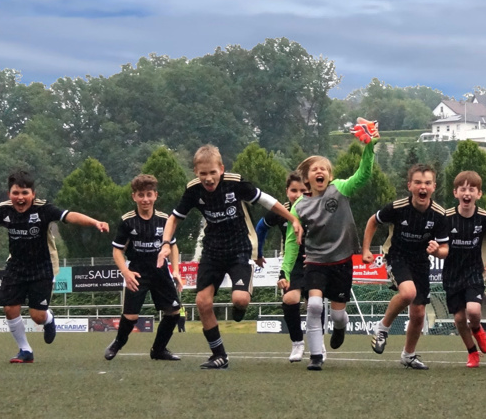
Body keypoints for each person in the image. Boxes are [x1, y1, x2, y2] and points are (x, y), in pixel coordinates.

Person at [157, 144, 303, 370]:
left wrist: (293, 219)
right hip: (212, 252)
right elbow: (174, 218)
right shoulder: (193, 190)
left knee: (240, 300)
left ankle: (241, 303)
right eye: (203, 173)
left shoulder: (235, 183)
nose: (208, 178)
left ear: (221, 169)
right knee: (202, 302)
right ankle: (219, 355)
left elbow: (267, 201)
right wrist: (166, 243)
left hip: (238, 250)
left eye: (212, 172)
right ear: (196, 172)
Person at [0, 170, 109, 363]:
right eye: (16, 193)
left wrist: (95, 222)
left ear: (33, 194)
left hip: (42, 267)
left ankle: (48, 319)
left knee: (37, 316)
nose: (20, 198)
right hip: (16, 265)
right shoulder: (4, 210)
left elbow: (68, 216)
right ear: (9, 195)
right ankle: (25, 350)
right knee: (9, 309)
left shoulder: (43, 209)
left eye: (25, 193)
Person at [281, 118, 380, 371]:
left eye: (324, 168)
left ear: (330, 175)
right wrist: (285, 270)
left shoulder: (340, 189)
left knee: (337, 314)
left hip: (342, 261)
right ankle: (315, 356)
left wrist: (369, 147)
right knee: (314, 306)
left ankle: (339, 326)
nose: (319, 171)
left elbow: (363, 175)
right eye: (314, 169)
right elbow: (293, 242)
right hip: (316, 262)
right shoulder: (299, 206)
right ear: (307, 178)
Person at [364, 164, 450, 370]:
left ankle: (408, 355)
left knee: (419, 313)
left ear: (434, 187)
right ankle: (382, 327)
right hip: (397, 256)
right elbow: (372, 221)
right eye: (418, 183)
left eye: (427, 183)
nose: (423, 187)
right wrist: (365, 249)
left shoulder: (439, 214)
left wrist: (437, 250)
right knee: (408, 293)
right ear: (409, 185)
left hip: (421, 262)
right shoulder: (397, 207)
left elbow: (446, 249)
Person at [104, 174, 183, 361]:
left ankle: (159, 350)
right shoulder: (127, 221)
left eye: (149, 194)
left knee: (173, 311)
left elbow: (172, 246)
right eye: (141, 195)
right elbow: (117, 251)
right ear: (134, 197)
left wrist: (176, 271)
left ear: (156, 195)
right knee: (130, 316)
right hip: (137, 272)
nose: (145, 199)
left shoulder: (165, 220)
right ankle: (117, 343)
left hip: (160, 272)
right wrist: (126, 272)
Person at [255, 172, 326, 362]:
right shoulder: (281, 212)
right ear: (286, 191)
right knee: (289, 299)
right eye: (293, 190)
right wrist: (258, 253)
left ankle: (319, 344)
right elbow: (261, 228)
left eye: (303, 190)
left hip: (316, 261)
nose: (298, 194)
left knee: (314, 303)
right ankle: (297, 343)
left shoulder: (318, 208)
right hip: (293, 263)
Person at [442, 171, 486, 368]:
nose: (467, 193)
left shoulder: (483, 217)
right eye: (463, 189)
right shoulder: (446, 217)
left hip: (474, 271)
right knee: (459, 317)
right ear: (455, 193)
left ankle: (477, 328)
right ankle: (472, 352)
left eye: (471, 189)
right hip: (451, 273)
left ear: (479, 194)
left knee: (474, 311)